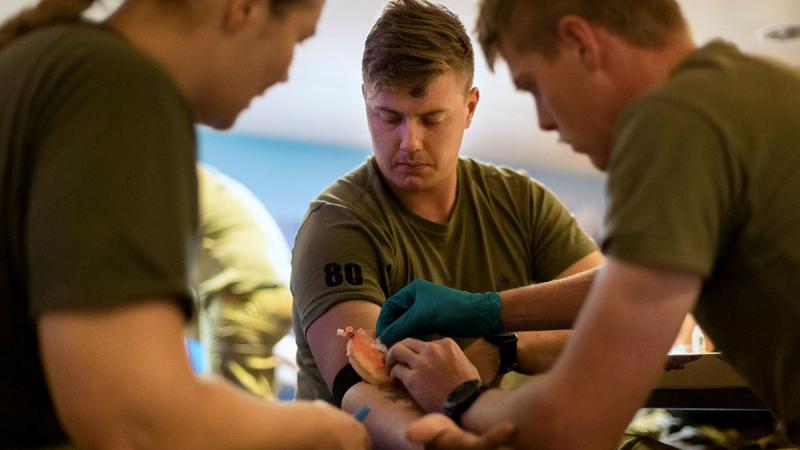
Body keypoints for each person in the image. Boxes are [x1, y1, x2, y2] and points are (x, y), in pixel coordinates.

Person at [375, 0, 800, 448]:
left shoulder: (674, 123)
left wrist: (461, 398)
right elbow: (631, 286)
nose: (543, 120)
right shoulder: (758, 91)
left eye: (533, 86)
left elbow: (574, 425)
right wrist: (489, 309)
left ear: (581, 43)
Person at [0, 0, 370, 448]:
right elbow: (136, 422)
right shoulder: (118, 90)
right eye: (298, 38)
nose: (287, 72)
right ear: (244, 10)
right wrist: (326, 430)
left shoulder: (32, 58)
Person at [290, 0, 602, 448]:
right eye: (388, 116)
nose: (409, 143)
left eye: (432, 118)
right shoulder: (338, 223)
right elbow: (362, 387)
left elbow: (610, 316)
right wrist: (436, 438)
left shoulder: (521, 202)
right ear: (365, 101)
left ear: (470, 107)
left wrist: (504, 346)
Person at [190, 163, 294, 400]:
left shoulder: (167, 180)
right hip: (270, 293)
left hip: (242, 296)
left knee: (228, 414)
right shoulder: (208, 182)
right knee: (253, 404)